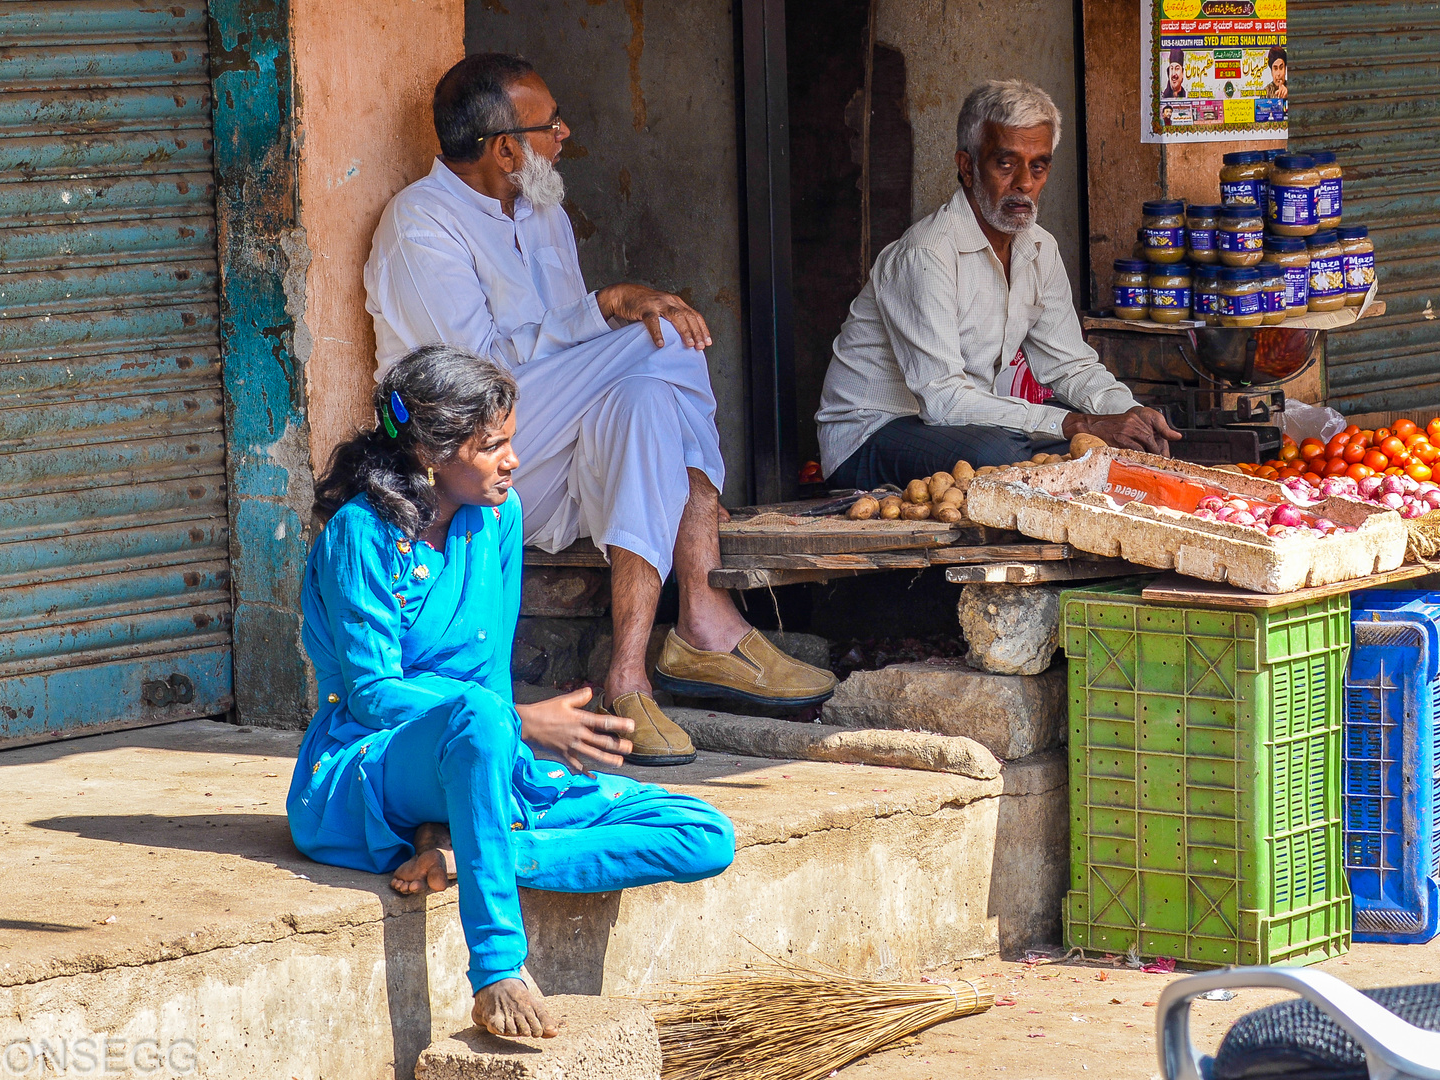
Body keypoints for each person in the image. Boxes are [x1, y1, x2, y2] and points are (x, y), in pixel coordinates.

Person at [364, 53, 835, 766]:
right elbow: (472, 387)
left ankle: (630, 676)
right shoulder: (419, 228)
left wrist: (601, 320)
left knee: (646, 397)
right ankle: (704, 612)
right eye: (550, 124)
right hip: (464, 468)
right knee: (665, 338)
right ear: (504, 148)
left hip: (548, 461)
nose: (566, 134)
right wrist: (603, 309)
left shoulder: (542, 211)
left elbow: (584, 376)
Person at [287, 343, 736, 1038]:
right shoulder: (361, 533)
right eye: (492, 446)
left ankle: (480, 853)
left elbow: (489, 673)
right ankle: (497, 967)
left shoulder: (499, 517)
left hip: (484, 747)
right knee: (478, 716)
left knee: (704, 834)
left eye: (509, 443)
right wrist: (520, 723)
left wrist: (514, 745)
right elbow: (375, 696)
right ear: (435, 453)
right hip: (369, 767)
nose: (512, 461)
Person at [816, 80, 1181, 491]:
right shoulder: (927, 254)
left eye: (1038, 166)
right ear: (968, 166)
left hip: (957, 426)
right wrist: (1079, 421)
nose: (1024, 183)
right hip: (871, 437)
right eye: (1006, 164)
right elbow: (944, 400)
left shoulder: (1040, 249)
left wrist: (1133, 418)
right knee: (1003, 454)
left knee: (1093, 442)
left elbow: (1070, 365)